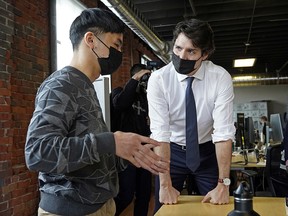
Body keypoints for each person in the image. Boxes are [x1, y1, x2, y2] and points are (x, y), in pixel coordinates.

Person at [24, 8, 169, 216]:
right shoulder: (61, 85)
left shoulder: (86, 86)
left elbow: (89, 149)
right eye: (116, 45)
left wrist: (127, 151)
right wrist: (111, 142)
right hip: (71, 210)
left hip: (99, 206)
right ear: (91, 40)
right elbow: (37, 152)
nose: (118, 53)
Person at [147, 18, 235, 213]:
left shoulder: (220, 77)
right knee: (164, 209)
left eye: (191, 51)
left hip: (206, 153)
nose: (181, 56)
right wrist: (164, 185)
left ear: (205, 54)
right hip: (171, 154)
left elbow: (223, 133)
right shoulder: (159, 79)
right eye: (178, 48)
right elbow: (160, 134)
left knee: (220, 207)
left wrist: (224, 184)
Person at [112, 64, 152, 216]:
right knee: (126, 195)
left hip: (145, 151)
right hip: (126, 152)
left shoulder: (145, 98)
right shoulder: (119, 92)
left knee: (144, 194)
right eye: (142, 78)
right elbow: (120, 104)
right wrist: (135, 79)